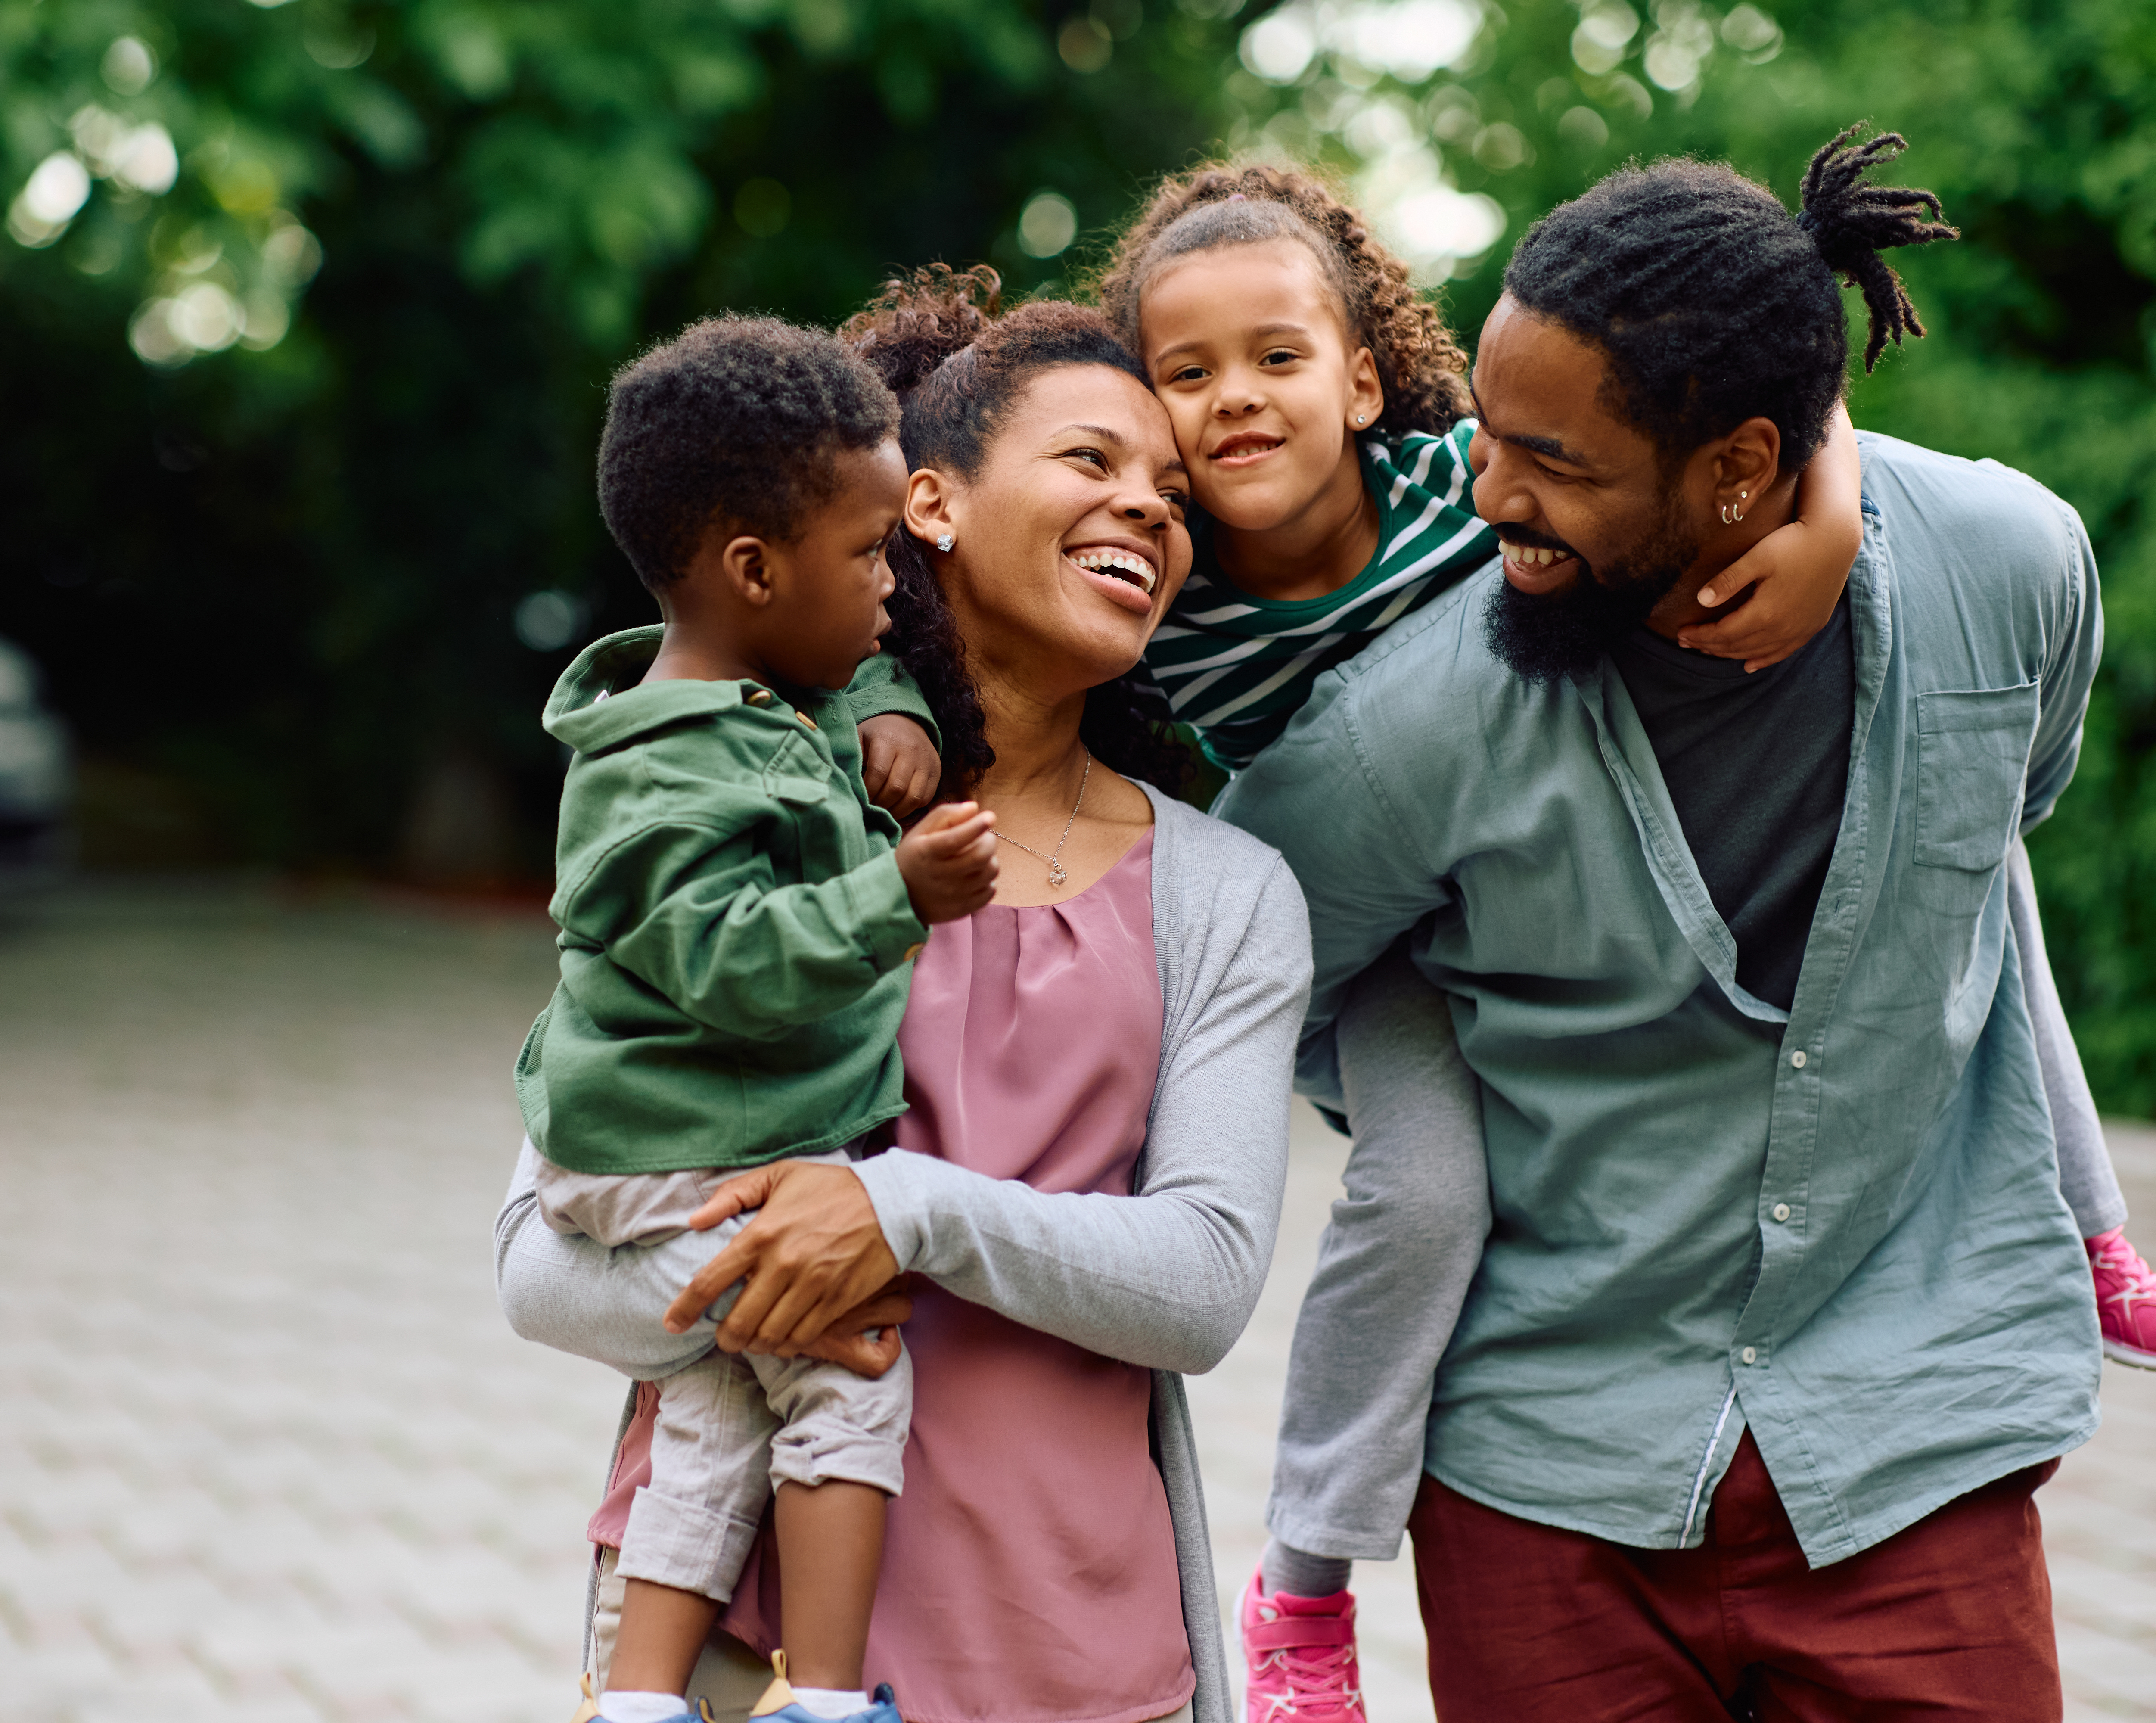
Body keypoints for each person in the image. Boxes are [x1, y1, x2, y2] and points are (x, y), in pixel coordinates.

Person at [1222, 126, 2103, 1717]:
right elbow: (1245, 960)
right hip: (1551, 1476)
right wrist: (1435, 1085)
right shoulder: (1408, 726)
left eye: (1554, 463)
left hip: (1920, 1440)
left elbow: (2009, 801)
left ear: (1745, 468)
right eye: (1494, 434)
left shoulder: (2015, 565)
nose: (1491, 492)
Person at [1084, 159, 1871, 1720]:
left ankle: (2084, 1224)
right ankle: (1304, 1583)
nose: (1235, 396)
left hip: (1562, 881)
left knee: (1925, 854)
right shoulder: (1162, 597)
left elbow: (1750, 400)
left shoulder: (1467, 478)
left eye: (1279, 356)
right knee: (1428, 1188)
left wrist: (1833, 513)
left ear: (1365, 375)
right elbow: (969, 591)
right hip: (1384, 959)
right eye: (1187, 373)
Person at [499, 270, 1309, 1723]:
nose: (1151, 508)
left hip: (1077, 1658)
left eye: (1175, 494)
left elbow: (1203, 1281)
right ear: (928, 506)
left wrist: (900, 1214)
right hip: (746, 1664)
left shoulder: (1228, 894)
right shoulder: (749, 818)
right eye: (1093, 460)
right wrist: (762, 1286)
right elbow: (537, 1263)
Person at [516, 315, 1003, 1723]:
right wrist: (894, 894)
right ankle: (833, 1701)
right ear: (751, 569)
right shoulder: (656, 776)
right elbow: (729, 963)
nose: (891, 590)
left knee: (718, 1414)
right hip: (665, 1155)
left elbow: (841, 670)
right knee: (843, 1369)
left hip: (674, 1143)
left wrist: (898, 696)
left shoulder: (758, 689)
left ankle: (646, 1701)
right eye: (869, 559)